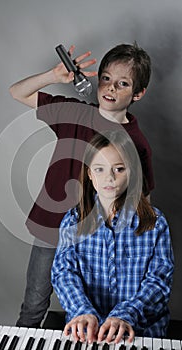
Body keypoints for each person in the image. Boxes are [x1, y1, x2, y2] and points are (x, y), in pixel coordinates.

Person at [9, 42, 155, 328]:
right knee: (34, 303)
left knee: (92, 311)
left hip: (99, 241)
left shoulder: (137, 142)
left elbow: (142, 200)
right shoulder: (74, 113)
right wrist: (53, 75)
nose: (111, 88)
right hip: (51, 227)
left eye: (122, 83)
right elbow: (17, 92)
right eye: (106, 79)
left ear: (138, 93)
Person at [51, 130, 174, 343]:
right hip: (86, 331)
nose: (109, 177)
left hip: (140, 333)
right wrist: (81, 311)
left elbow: (159, 281)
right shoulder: (73, 221)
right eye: (100, 169)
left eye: (119, 169)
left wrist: (125, 315)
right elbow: (64, 272)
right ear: (89, 174)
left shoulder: (155, 223)